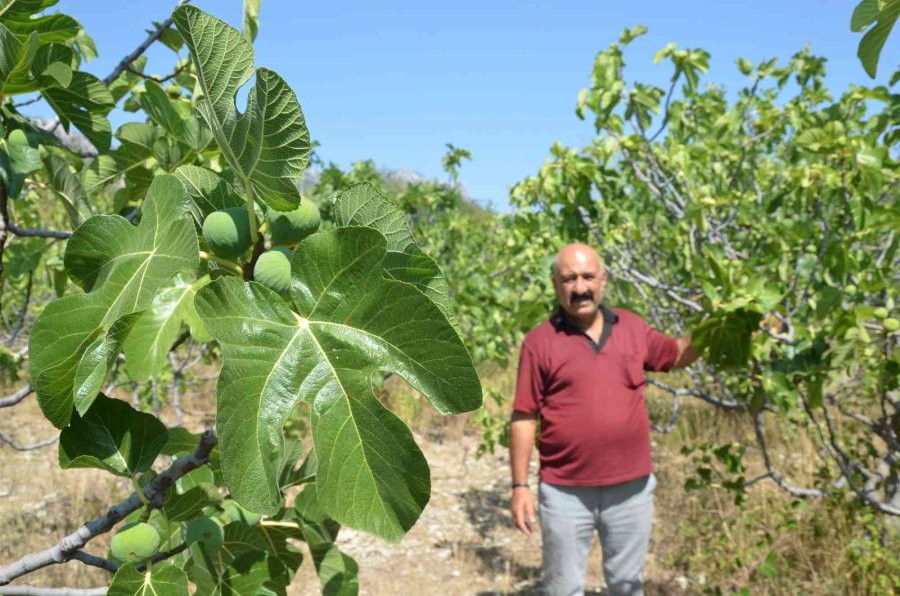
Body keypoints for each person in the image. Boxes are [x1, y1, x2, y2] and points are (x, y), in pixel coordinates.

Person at [509, 242, 699, 596]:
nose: (580, 287)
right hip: (564, 491)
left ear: (603, 280)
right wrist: (519, 487)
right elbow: (523, 415)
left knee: (627, 587)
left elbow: (675, 354)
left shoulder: (632, 327)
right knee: (562, 589)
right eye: (569, 279)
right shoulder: (539, 342)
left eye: (587, 277)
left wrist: (721, 324)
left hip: (631, 490)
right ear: (555, 283)